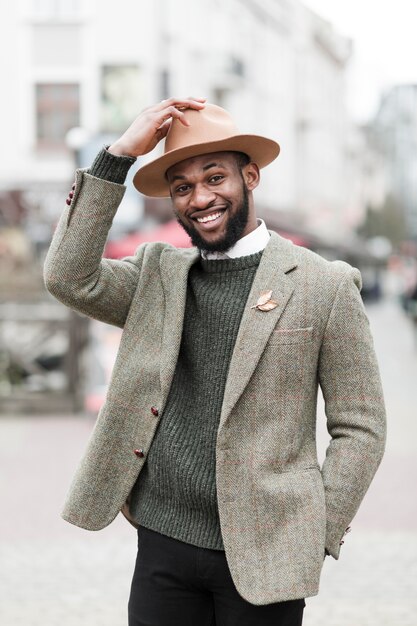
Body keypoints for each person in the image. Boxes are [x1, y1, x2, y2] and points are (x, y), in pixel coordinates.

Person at [43, 97, 387, 626]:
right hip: (163, 541)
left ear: (249, 177)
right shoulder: (157, 274)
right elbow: (68, 276)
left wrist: (314, 526)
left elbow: (360, 426)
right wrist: (116, 157)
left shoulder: (325, 284)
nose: (200, 197)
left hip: (266, 550)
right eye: (183, 187)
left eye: (214, 178)